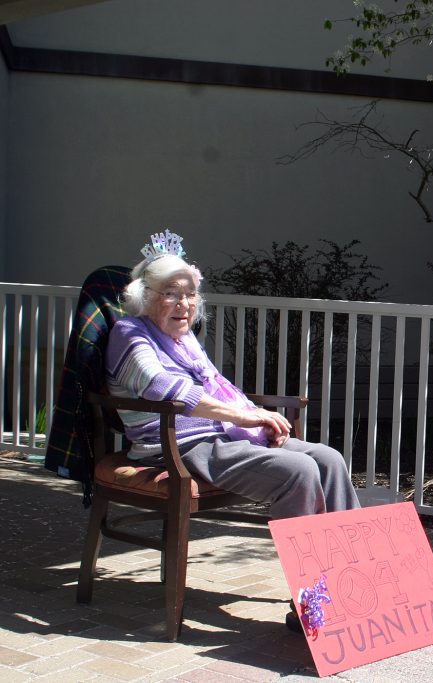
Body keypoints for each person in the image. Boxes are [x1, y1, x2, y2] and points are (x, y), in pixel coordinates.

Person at [105, 230, 361, 629]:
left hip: (218, 436)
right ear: (146, 296)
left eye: (190, 294)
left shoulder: (184, 338)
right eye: (171, 293)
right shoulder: (130, 333)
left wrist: (257, 415)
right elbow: (163, 388)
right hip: (177, 444)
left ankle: (351, 578)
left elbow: (215, 385)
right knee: (299, 472)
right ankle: (312, 602)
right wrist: (245, 418)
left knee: (328, 458)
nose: (184, 304)